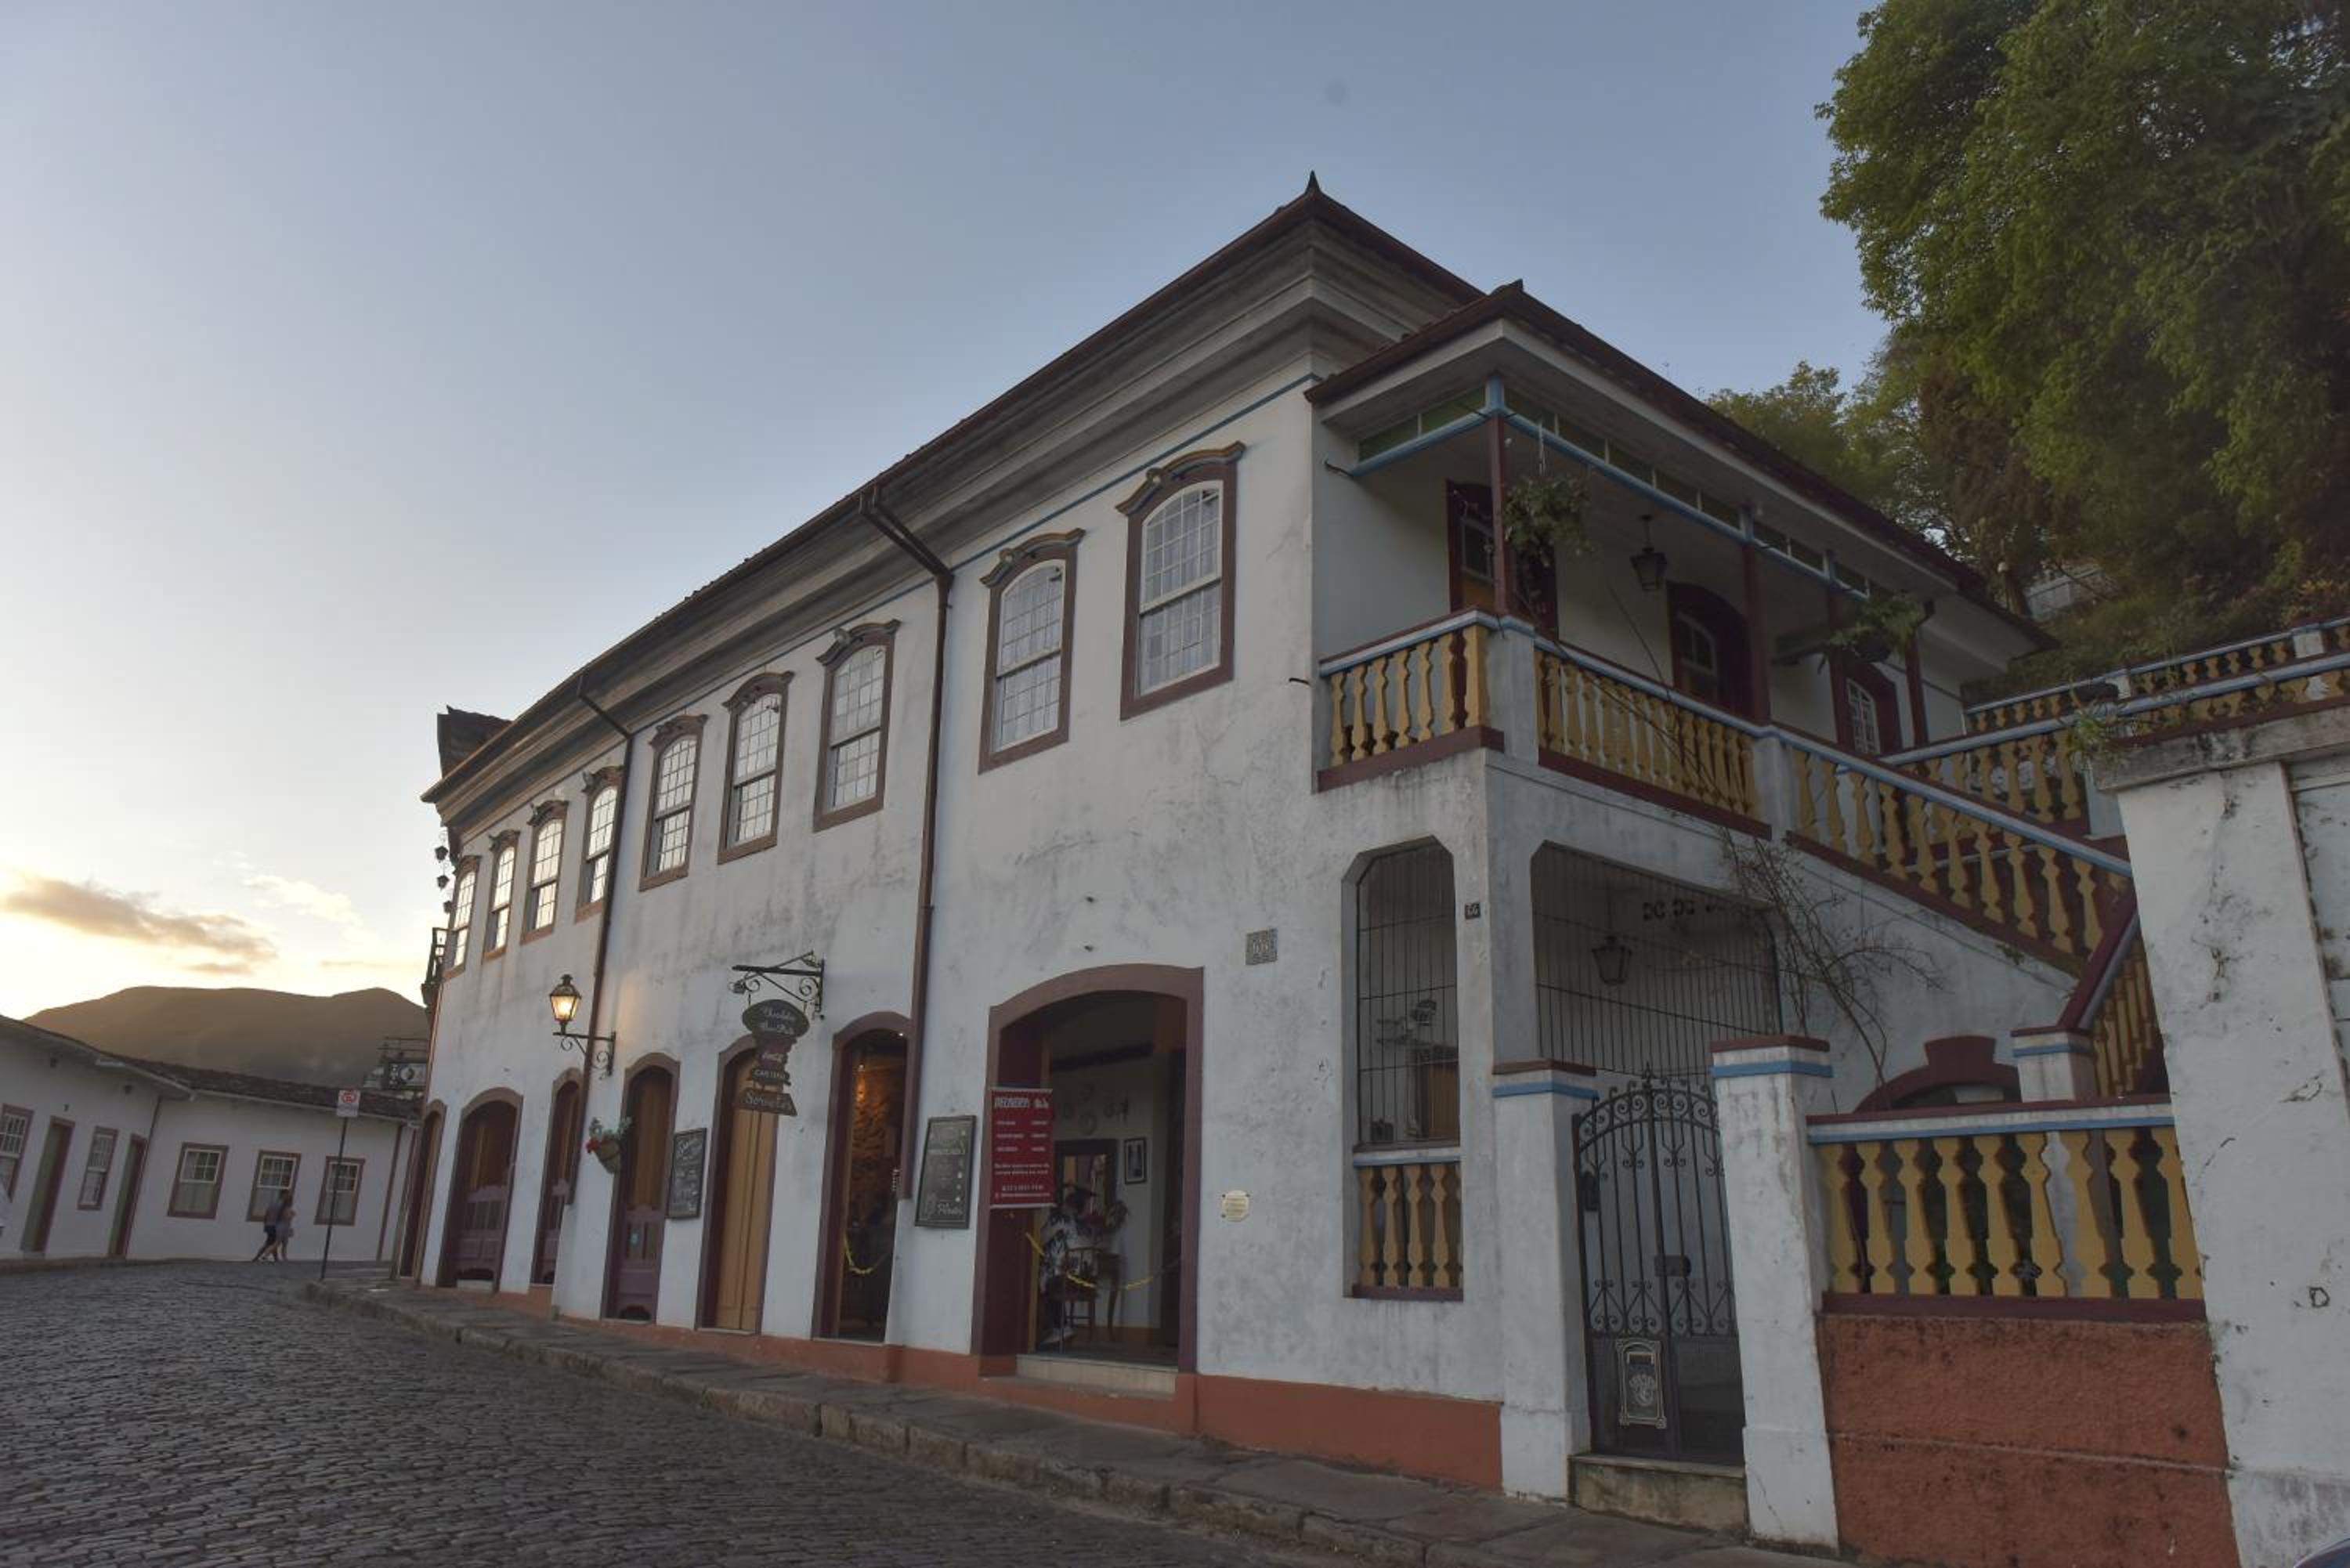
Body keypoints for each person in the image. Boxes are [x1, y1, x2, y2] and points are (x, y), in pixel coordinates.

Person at [266, 1188, 295, 1263]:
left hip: (286, 1227)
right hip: (282, 1227)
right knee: (277, 1243)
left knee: (285, 1243)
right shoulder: (285, 1208)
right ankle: (266, 1255)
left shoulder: (287, 1208)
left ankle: (285, 1258)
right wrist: (292, 1215)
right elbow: (286, 1217)